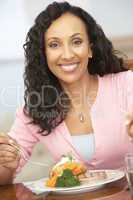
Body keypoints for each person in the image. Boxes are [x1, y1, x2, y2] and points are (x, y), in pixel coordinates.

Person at [0, 1, 133, 185]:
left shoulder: (127, 84)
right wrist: (6, 163)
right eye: (54, 45)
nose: (67, 54)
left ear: (90, 49)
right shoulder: (34, 109)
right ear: (44, 54)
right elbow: (3, 178)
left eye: (76, 42)